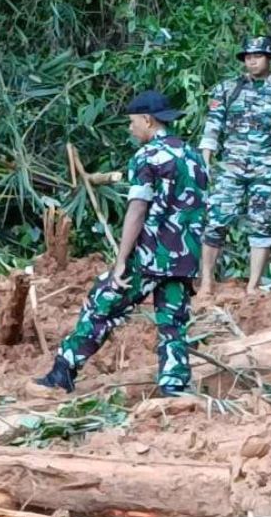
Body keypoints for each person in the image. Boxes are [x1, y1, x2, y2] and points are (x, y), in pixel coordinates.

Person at [33, 91, 207, 396]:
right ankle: (174, 385)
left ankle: (64, 370)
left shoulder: (147, 156)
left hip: (151, 254)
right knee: (173, 320)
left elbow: (138, 208)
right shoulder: (192, 155)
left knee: (102, 303)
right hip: (184, 257)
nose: (130, 128)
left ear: (147, 120)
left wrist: (122, 258)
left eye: (132, 122)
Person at [198, 35, 271, 295]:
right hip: (231, 169)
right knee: (216, 221)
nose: (252, 61)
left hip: (265, 170)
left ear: (269, 59)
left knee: (262, 224)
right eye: (248, 56)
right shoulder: (226, 89)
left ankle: (253, 286)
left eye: (257, 56)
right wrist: (205, 159)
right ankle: (207, 282)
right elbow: (213, 126)